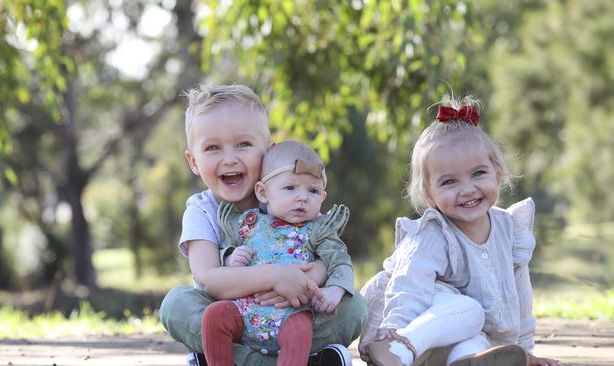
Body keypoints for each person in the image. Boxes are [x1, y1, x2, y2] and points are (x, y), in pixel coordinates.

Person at [158, 84, 367, 366]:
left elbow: (326, 254)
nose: (229, 158)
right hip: (229, 323)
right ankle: (301, 361)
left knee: (354, 308)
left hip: (292, 317)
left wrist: (312, 278)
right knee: (176, 305)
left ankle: (224, 359)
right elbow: (209, 278)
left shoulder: (291, 197)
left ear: (268, 151)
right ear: (194, 161)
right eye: (212, 148)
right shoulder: (201, 210)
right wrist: (275, 276)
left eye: (243, 144)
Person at [359, 95, 560, 366]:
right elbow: (409, 285)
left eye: (478, 174)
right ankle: (399, 351)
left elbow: (521, 297)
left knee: (477, 343)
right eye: (449, 181)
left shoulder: (509, 228)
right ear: (429, 195)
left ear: (498, 174)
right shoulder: (433, 232)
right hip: (410, 334)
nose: (467, 189)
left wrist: (524, 350)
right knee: (470, 310)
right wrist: (394, 332)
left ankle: (467, 362)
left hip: (452, 342)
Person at [201, 140, 356, 366]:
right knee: (214, 315)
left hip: (290, 313)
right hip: (244, 311)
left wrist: (336, 289)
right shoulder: (247, 223)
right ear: (263, 193)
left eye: (312, 191)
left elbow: (340, 260)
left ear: (322, 197)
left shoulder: (318, 231)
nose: (302, 197)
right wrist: (230, 256)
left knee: (300, 330)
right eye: (290, 188)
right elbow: (223, 248)